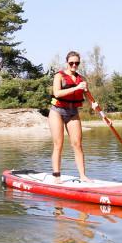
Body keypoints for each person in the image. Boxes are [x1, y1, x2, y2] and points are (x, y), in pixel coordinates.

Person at [48, 50, 99, 180]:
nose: (74, 65)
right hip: (57, 112)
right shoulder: (59, 76)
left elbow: (89, 97)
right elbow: (57, 93)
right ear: (67, 63)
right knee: (58, 144)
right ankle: (56, 176)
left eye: (77, 63)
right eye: (71, 63)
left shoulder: (81, 79)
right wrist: (76, 88)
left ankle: (82, 176)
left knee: (77, 144)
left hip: (73, 113)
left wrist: (97, 108)